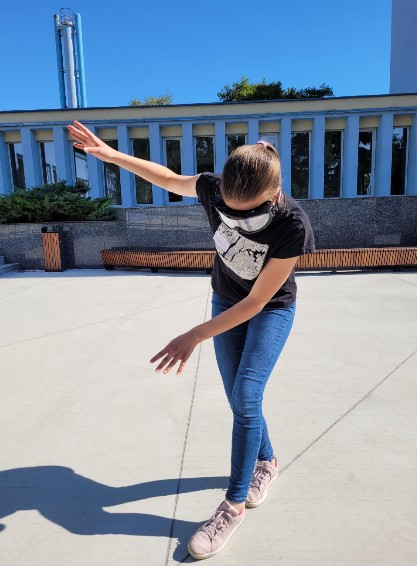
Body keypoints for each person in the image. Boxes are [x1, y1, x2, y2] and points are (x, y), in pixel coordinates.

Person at [67, 120, 315, 560]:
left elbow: (259, 300)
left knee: (246, 392)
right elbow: (165, 177)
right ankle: (267, 463)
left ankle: (233, 505)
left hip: (269, 308)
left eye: (249, 215)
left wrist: (193, 335)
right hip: (224, 300)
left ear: (273, 198)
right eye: (229, 212)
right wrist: (112, 155)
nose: (236, 220)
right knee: (242, 401)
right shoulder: (214, 189)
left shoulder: (293, 224)